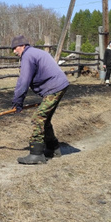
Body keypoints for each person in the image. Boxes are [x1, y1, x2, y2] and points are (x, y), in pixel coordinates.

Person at [11, 35, 70, 164]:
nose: (14, 51)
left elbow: (24, 80)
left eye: (15, 48)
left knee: (38, 117)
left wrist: (18, 101)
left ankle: (36, 154)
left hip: (54, 87)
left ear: (22, 46)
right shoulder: (34, 52)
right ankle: (53, 148)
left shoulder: (27, 55)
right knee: (45, 118)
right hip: (59, 85)